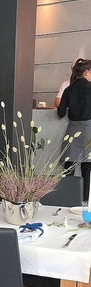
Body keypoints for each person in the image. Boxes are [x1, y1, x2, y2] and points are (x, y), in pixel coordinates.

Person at [57, 58, 91, 197]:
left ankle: (67, 198)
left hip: (72, 130)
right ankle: (85, 201)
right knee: (87, 167)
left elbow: (60, 113)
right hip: (88, 131)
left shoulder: (69, 89)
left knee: (68, 167)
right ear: (87, 72)